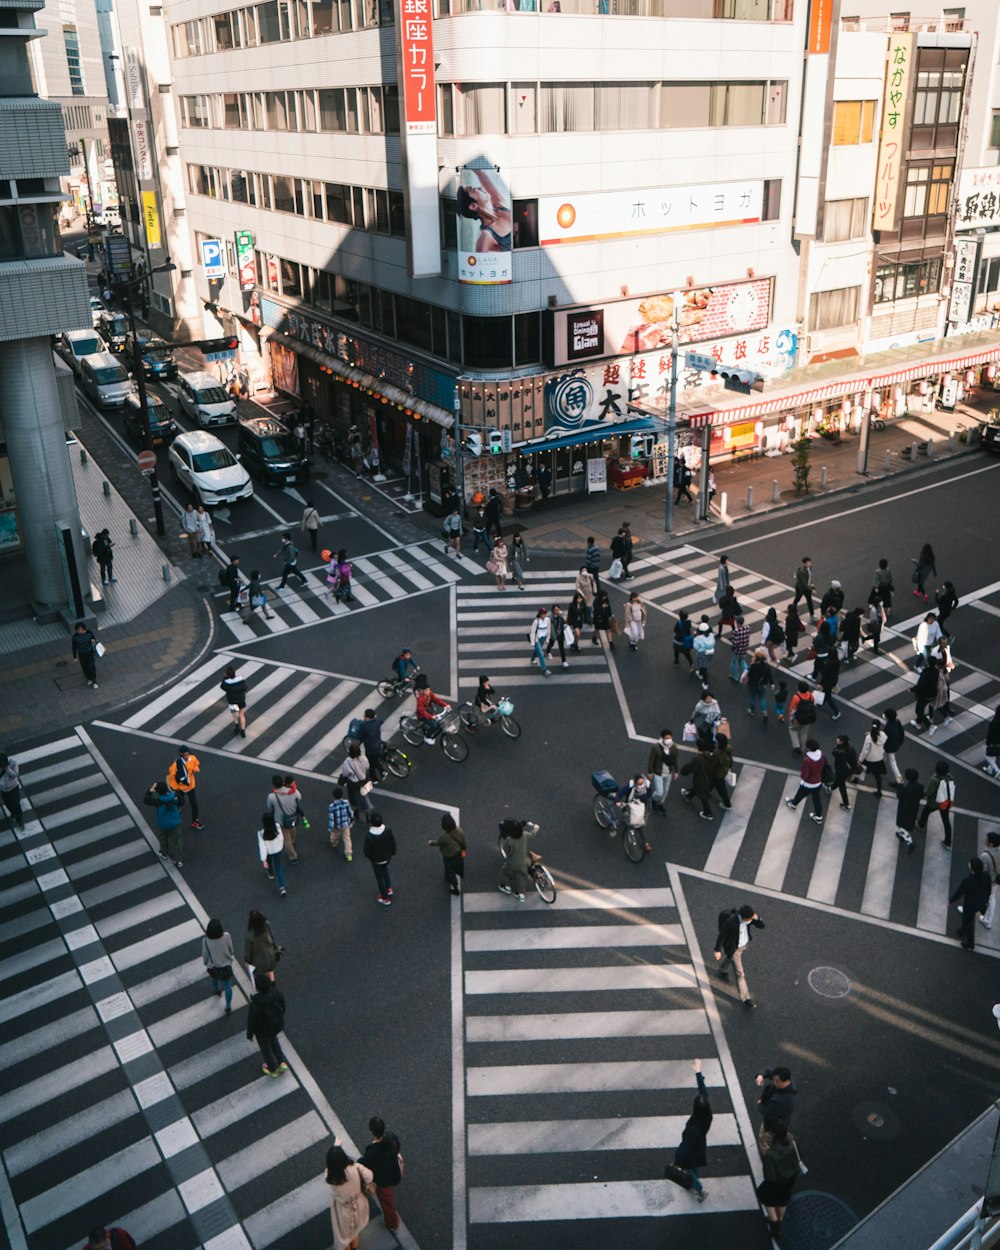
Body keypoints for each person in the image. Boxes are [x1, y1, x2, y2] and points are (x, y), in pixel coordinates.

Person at [671, 1059, 713, 1200]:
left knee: (689, 1170)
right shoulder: (707, 1115)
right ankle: (693, 1183)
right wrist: (698, 1072)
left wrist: (677, 1160)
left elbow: (685, 1147)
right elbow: (703, 1092)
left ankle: (699, 1189)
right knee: (694, 1169)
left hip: (691, 1153)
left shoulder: (693, 1129)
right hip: (700, 1149)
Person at [713, 904, 765, 1008]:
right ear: (743, 917)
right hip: (734, 948)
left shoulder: (749, 918)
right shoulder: (731, 923)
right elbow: (722, 935)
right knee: (740, 974)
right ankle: (745, 998)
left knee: (729, 957)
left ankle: (721, 971)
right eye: (750, 919)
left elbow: (762, 926)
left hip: (742, 945)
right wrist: (717, 949)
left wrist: (757, 918)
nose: (751, 920)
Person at [325, 1142, 374, 1250]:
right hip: (358, 1203)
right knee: (354, 1231)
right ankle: (356, 1248)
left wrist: (334, 1149)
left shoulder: (330, 1177)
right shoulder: (355, 1168)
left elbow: (329, 1169)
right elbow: (369, 1177)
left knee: (343, 1236)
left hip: (343, 1210)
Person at [757, 1125, 801, 1240]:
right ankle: (780, 1220)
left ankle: (774, 1224)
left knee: (767, 1199)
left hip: (776, 1182)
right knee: (782, 1200)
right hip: (790, 1178)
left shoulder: (771, 1154)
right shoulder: (793, 1142)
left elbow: (769, 1176)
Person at [360, 1118, 403, 1232]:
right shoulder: (391, 1137)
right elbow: (397, 1147)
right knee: (387, 1198)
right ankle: (391, 1221)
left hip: (383, 1181)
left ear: (371, 1132)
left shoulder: (372, 1151)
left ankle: (392, 1223)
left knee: (386, 1201)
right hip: (394, 1171)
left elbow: (365, 1164)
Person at [247, 969, 288, 1077]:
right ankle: (281, 1061)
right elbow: (283, 1007)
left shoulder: (255, 1004)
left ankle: (272, 1069)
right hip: (276, 1025)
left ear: (257, 988)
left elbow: (251, 1021)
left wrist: (250, 1035)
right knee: (274, 1039)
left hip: (262, 1031)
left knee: (266, 1049)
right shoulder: (277, 993)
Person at [950, 859, 991, 951]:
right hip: (981, 903)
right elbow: (989, 889)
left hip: (970, 904)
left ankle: (970, 944)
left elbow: (959, 892)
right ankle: (962, 930)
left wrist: (950, 901)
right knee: (967, 918)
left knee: (968, 921)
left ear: (972, 870)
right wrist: (986, 899)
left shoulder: (968, 881)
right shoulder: (986, 875)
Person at [268, 774, 306, 864]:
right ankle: (293, 844)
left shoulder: (272, 796)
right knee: (292, 831)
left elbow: (270, 807)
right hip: (292, 818)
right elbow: (299, 798)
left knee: (286, 840)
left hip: (281, 820)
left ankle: (293, 856)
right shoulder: (293, 792)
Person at [786, 738, 825, 824]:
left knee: (800, 794)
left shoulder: (807, 760)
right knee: (816, 800)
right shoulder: (821, 755)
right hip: (818, 782)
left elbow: (805, 774)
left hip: (808, 783)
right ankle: (819, 816)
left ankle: (793, 804)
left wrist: (803, 779)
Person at [917, 759, 955, 848]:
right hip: (945, 802)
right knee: (946, 821)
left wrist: (922, 792)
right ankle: (948, 842)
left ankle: (921, 825)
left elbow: (929, 792)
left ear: (936, 770)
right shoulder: (950, 776)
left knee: (926, 812)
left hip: (934, 802)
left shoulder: (934, 779)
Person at [146, 780, 183, 867]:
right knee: (177, 841)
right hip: (175, 821)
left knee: (163, 838)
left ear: (157, 791)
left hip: (163, 823)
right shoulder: (175, 795)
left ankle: (164, 852)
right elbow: (182, 802)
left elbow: (146, 800)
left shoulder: (159, 801)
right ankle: (178, 860)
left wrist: (150, 791)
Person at [428, 812, 466, 895]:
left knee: (450, 871)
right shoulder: (459, 830)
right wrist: (464, 850)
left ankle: (455, 888)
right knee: (457, 867)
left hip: (448, 857)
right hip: (458, 854)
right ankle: (455, 875)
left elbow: (438, 843)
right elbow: (463, 842)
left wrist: (431, 843)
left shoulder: (444, 837)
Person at [202, 917, 235, 1014]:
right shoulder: (227, 936)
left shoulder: (206, 941)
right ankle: (228, 1005)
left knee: (214, 979)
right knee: (227, 985)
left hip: (213, 966)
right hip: (226, 966)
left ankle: (217, 990)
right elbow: (231, 950)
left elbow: (205, 956)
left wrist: (206, 963)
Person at [364, 811, 397, 905]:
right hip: (387, 857)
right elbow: (393, 842)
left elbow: (367, 851)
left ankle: (385, 898)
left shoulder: (369, 835)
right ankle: (389, 888)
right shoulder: (388, 829)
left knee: (379, 878)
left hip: (376, 860)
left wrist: (371, 858)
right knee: (385, 870)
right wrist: (392, 852)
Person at [756, 1066, 797, 1140]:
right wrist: (761, 1075)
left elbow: (768, 1113)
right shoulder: (788, 1080)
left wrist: (760, 1104)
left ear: (786, 1081)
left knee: (765, 1139)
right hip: (782, 1120)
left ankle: (767, 1149)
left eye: (777, 1081)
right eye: (774, 1080)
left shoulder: (781, 1101)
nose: (774, 1082)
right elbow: (770, 1072)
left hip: (774, 1125)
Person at [498, 818, 534, 900]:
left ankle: (506, 887)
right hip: (523, 862)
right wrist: (536, 827)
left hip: (512, 862)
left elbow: (506, 849)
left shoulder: (509, 839)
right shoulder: (524, 834)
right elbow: (532, 834)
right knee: (521, 877)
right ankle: (521, 894)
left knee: (505, 872)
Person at [167, 745, 202, 829]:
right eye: (185, 755)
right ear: (181, 755)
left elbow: (196, 764)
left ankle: (195, 821)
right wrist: (176, 788)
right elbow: (171, 778)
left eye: (188, 754)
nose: (187, 757)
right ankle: (173, 816)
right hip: (181, 789)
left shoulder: (192, 758)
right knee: (178, 803)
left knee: (194, 804)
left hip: (191, 786)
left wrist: (196, 769)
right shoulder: (175, 766)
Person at [681, 741, 716, 821]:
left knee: (702, 794)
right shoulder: (709, 755)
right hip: (708, 776)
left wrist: (683, 771)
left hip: (700, 778)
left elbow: (691, 768)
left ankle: (708, 813)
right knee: (700, 789)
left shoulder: (697, 759)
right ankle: (688, 795)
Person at [244, 908, 280, 982]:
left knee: (260, 978)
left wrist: (247, 961)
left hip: (258, 961)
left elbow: (248, 951)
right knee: (270, 970)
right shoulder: (266, 927)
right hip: (270, 955)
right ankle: (273, 983)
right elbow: (271, 938)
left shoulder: (250, 936)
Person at [647, 729, 678, 813]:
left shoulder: (674, 747)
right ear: (662, 738)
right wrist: (650, 772)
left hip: (668, 773)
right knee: (659, 792)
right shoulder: (656, 747)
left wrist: (676, 771)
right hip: (658, 773)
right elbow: (651, 760)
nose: (669, 740)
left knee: (665, 792)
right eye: (667, 738)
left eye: (670, 738)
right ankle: (653, 799)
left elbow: (675, 760)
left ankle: (660, 804)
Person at [257, 810, 287, 897]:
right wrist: (280, 846)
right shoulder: (277, 827)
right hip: (278, 850)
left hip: (269, 852)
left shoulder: (261, 833)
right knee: (278, 867)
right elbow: (281, 838)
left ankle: (270, 873)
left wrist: (263, 860)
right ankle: (282, 887)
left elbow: (262, 847)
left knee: (269, 862)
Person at [340, 744, 373, 821]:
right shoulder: (364, 758)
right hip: (364, 781)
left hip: (353, 784)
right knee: (364, 796)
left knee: (353, 799)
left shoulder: (347, 762)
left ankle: (356, 813)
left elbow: (345, 774)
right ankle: (367, 815)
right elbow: (367, 767)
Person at [894, 767, 923, 850]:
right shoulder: (920, 786)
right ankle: (903, 834)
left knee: (902, 823)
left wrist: (899, 784)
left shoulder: (906, 788)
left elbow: (899, 795)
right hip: (914, 807)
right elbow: (921, 796)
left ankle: (909, 841)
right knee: (909, 821)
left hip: (904, 808)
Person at [856, 722, 888, 797]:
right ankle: (879, 791)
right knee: (877, 776)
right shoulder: (883, 735)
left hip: (869, 759)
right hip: (879, 758)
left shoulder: (868, 738)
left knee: (860, 768)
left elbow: (865, 751)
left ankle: (855, 779)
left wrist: (860, 759)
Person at [414, 674, 450, 741]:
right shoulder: (420, 700)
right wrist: (431, 717)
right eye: (427, 691)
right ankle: (427, 737)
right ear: (422, 691)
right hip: (422, 715)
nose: (429, 692)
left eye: (429, 690)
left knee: (438, 722)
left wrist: (445, 705)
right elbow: (422, 712)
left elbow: (436, 700)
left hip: (428, 710)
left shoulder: (429, 693)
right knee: (434, 725)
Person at [977, 832, 1000, 930]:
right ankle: (987, 920)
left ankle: (968, 910)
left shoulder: (985, 856)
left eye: (987, 839)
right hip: (995, 880)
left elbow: (981, 871)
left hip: (987, 882)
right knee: (992, 898)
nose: (985, 840)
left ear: (991, 844)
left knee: (974, 894)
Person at [911, 658, 941, 732]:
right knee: (921, 708)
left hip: (924, 694)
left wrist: (912, 689)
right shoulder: (936, 671)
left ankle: (930, 725)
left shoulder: (926, 672)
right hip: (932, 694)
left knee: (918, 711)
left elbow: (921, 684)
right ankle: (918, 723)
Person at [787, 683, 817, 755]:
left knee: (792, 729)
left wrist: (791, 719)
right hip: (808, 718)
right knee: (804, 733)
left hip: (798, 719)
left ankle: (796, 746)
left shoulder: (796, 697)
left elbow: (792, 710)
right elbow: (813, 704)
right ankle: (802, 748)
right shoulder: (811, 695)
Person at [832, 735, 859, 811]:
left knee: (842, 786)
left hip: (840, 771)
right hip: (848, 770)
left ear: (841, 742)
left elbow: (833, 752)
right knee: (840, 781)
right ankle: (832, 787)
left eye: (838, 740)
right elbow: (854, 761)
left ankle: (846, 803)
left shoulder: (838, 751)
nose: (837, 740)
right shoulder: (851, 749)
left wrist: (838, 746)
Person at [355, 709, 385, 779]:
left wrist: (358, 744)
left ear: (367, 717)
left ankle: (375, 778)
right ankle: (382, 771)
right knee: (375, 760)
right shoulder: (377, 721)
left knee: (370, 764)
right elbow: (381, 720)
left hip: (370, 749)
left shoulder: (364, 725)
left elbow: (360, 736)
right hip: (378, 745)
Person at [327, 786, 354, 860]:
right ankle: (349, 854)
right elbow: (350, 812)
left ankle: (334, 842)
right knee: (347, 839)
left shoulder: (332, 806)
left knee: (334, 836)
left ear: (334, 796)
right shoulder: (346, 802)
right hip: (346, 824)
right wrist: (352, 818)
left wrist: (330, 828)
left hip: (337, 826)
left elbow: (331, 819)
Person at [220, 665, 248, 737]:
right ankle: (243, 730)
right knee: (241, 714)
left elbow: (222, 687)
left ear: (227, 674)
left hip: (232, 701)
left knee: (234, 713)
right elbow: (245, 687)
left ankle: (236, 726)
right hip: (241, 699)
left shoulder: (226, 682)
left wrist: (224, 678)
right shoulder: (240, 679)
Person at [745, 647, 772, 720]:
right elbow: (769, 675)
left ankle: (752, 711)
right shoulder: (766, 666)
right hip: (762, 685)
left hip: (753, 684)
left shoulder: (753, 666)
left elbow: (749, 675)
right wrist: (772, 683)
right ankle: (764, 712)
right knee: (761, 698)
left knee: (752, 697)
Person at [0, 753, 24, 833]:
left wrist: (7, 769)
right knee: (7, 804)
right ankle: (13, 814)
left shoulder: (13, 763)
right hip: (3, 789)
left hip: (13, 788)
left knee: (16, 804)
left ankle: (20, 821)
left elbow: (15, 775)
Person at [709, 733, 733, 811]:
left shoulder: (717, 752)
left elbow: (713, 764)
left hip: (717, 774)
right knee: (710, 784)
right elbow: (731, 760)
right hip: (723, 771)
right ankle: (692, 793)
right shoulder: (728, 748)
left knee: (721, 789)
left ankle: (727, 804)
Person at [72, 620, 100, 688]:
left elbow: (94, 638)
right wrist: (75, 657)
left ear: (82, 629)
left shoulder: (89, 633)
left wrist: (93, 640)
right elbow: (74, 647)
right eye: (77, 630)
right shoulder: (75, 637)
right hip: (81, 654)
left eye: (79, 630)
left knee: (91, 666)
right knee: (85, 667)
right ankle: (89, 678)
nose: (77, 631)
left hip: (90, 652)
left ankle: (94, 681)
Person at [818, 648, 842, 721]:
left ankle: (837, 712)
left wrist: (820, 683)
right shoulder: (837, 662)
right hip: (833, 680)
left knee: (828, 696)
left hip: (827, 682)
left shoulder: (827, 664)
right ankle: (821, 703)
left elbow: (824, 676)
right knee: (825, 692)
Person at [882, 708, 904, 783]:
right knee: (883, 757)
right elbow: (901, 732)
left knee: (892, 763)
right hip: (895, 745)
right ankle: (877, 766)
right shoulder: (897, 722)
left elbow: (882, 736)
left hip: (889, 748)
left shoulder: (888, 727)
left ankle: (899, 780)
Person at [528, 607, 553, 675]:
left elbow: (548, 630)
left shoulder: (547, 620)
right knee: (541, 654)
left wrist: (548, 639)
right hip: (537, 639)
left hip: (543, 638)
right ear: (540, 614)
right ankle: (544, 669)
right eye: (543, 614)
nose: (544, 615)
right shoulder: (536, 621)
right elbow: (532, 632)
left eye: (545, 613)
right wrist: (533, 642)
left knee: (537, 650)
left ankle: (532, 659)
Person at [546, 603, 570, 668]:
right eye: (555, 609)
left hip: (560, 634)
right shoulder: (550, 617)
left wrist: (566, 619)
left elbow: (565, 622)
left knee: (561, 647)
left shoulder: (561, 615)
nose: (557, 610)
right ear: (553, 610)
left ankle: (564, 661)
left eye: (558, 609)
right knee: (551, 643)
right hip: (553, 633)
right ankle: (548, 651)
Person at [692, 621, 715, 689]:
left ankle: (705, 683)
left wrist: (695, 637)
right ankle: (700, 673)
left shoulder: (698, 638)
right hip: (710, 652)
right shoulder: (711, 635)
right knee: (704, 665)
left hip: (702, 653)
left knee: (704, 667)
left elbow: (696, 647)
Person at [792, 556, 816, 620]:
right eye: (807, 563)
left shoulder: (809, 568)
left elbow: (810, 577)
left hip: (807, 588)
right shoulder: (801, 572)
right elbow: (804, 584)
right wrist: (812, 590)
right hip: (801, 588)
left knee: (809, 601)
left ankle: (812, 615)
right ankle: (793, 609)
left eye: (809, 563)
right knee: (797, 598)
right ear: (803, 563)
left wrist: (812, 584)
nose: (809, 564)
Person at [729, 615, 751, 681]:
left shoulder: (736, 631)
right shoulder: (747, 628)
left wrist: (732, 647)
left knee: (734, 663)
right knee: (742, 661)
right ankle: (747, 672)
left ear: (737, 622)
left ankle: (735, 676)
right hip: (745, 648)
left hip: (737, 650)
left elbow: (735, 643)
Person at [865, 589, 886, 655]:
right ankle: (875, 649)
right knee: (876, 638)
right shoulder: (874, 610)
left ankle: (865, 638)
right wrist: (878, 618)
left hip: (878, 624)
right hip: (875, 624)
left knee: (876, 636)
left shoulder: (879, 607)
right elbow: (873, 618)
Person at [983, 707, 1000, 780]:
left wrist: (987, 743)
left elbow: (990, 734)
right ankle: (990, 769)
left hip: (995, 743)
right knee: (993, 754)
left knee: (986, 753)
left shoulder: (994, 722)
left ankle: (997, 770)